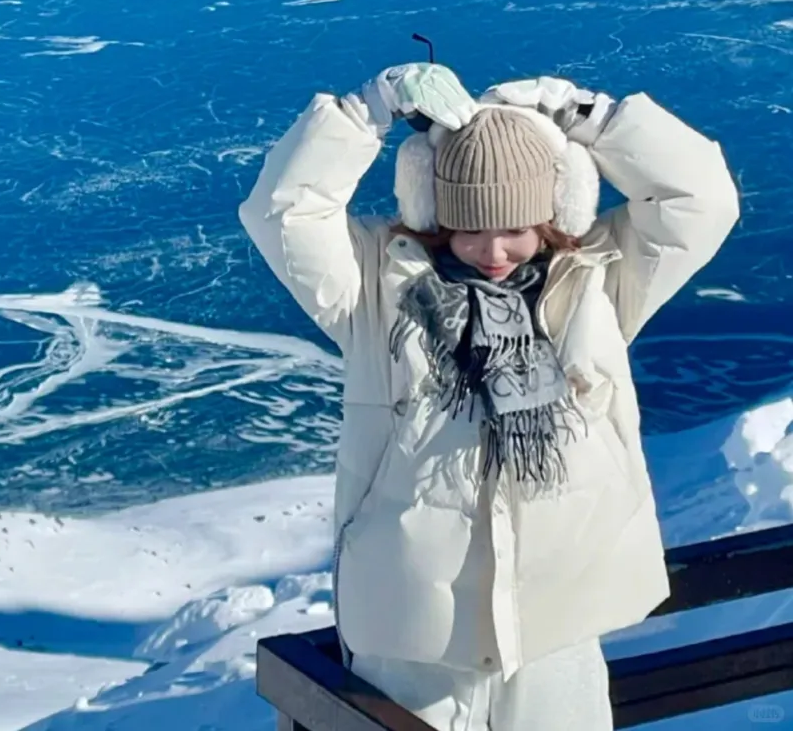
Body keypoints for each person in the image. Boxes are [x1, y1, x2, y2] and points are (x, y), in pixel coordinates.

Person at [238, 63, 739, 731]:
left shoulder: (596, 283)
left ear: (557, 216)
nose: (492, 251)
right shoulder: (376, 292)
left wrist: (591, 115)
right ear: (433, 215)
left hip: (559, 614)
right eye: (468, 229)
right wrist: (369, 110)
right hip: (414, 621)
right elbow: (284, 211)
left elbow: (701, 199)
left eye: (516, 228)